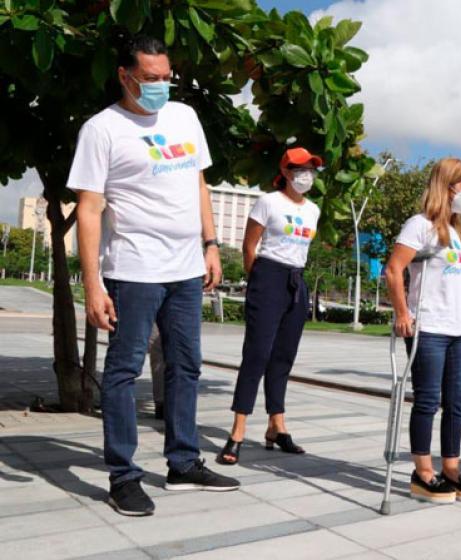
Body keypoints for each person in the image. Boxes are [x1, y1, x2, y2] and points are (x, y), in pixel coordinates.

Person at [70, 34, 239, 517]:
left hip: (186, 270)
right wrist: (93, 284)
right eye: (150, 79)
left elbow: (198, 182)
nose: (161, 87)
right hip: (134, 271)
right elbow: (89, 209)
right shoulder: (102, 130)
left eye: (167, 78)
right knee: (123, 372)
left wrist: (210, 244)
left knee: (186, 366)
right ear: (125, 76)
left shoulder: (184, 116)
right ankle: (124, 475)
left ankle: (183, 462)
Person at [385, 157, 461, 504]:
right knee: (428, 400)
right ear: (447, 186)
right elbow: (394, 270)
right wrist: (402, 313)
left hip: (459, 329)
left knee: (456, 403)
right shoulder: (419, 225)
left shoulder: (458, 232)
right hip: (429, 326)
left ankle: (451, 469)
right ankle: (423, 472)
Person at [217, 147, 322, 465]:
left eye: (312, 169)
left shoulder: (314, 209)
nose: (307, 174)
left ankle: (277, 426)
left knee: (283, 357)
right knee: (257, 355)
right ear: (286, 171)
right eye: (301, 168)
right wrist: (260, 284)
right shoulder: (268, 202)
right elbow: (249, 247)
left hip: (296, 281)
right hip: (269, 276)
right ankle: (237, 431)